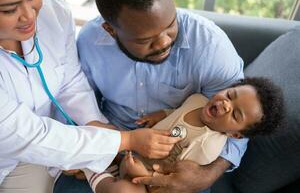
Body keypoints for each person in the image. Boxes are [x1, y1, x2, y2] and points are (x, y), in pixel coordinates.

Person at [0, 0, 179, 193]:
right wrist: (123, 140)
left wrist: (96, 125)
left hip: (55, 139)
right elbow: (30, 137)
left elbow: (69, 82)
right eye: (9, 10)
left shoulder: (55, 13)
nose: (29, 14)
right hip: (13, 154)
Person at [74, 0, 248, 192]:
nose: (164, 43)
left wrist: (206, 175)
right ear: (111, 30)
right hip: (110, 147)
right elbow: (79, 103)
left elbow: (243, 122)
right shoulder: (89, 43)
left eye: (171, 25)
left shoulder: (211, 47)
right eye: (145, 40)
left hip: (175, 165)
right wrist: (87, 149)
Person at [81, 77, 285, 193]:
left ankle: (94, 173)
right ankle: (103, 163)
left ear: (236, 135)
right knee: (99, 131)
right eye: (230, 95)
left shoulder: (208, 145)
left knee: (122, 192)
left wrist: (141, 174)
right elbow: (177, 113)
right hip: (134, 150)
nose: (225, 104)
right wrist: (160, 115)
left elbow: (173, 177)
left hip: (147, 182)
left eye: (235, 114)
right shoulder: (197, 99)